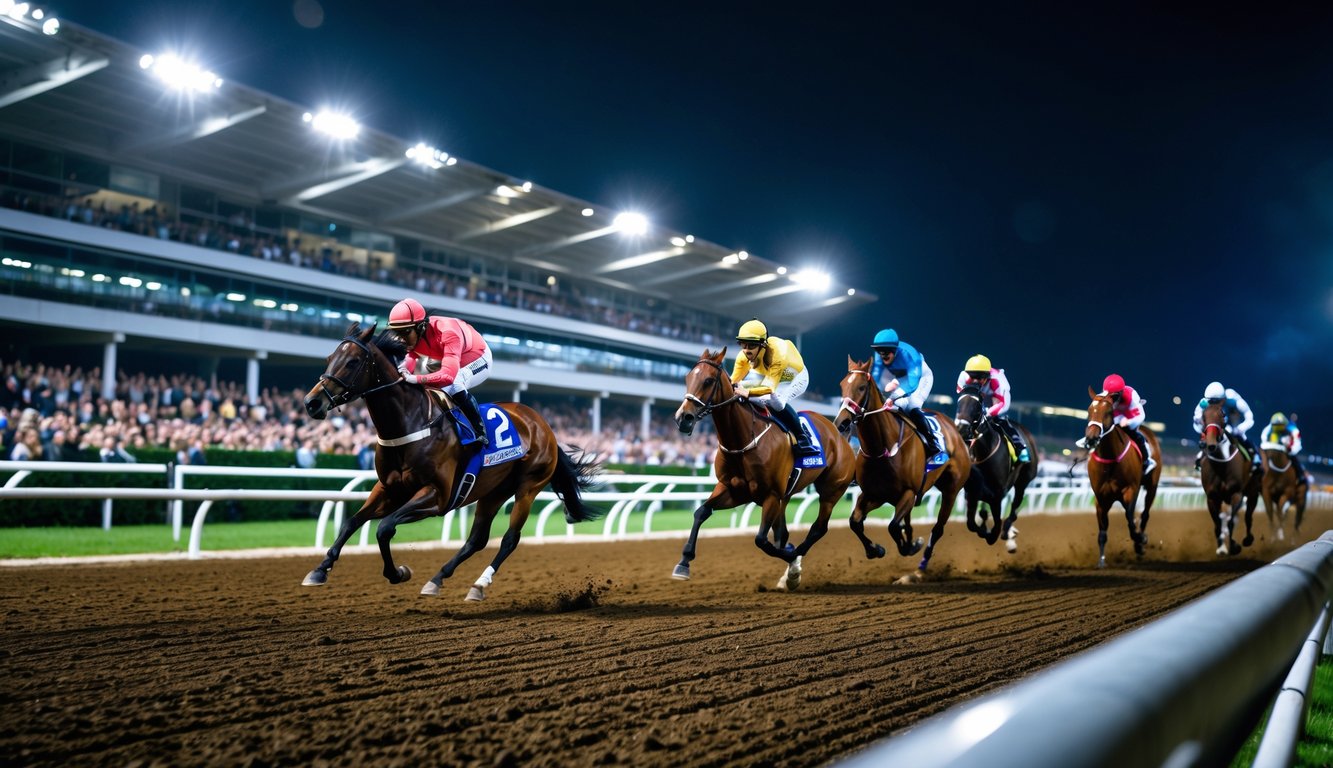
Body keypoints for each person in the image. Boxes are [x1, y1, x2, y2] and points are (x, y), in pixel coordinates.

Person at [386, 297, 493, 447]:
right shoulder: (414, 336)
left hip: (478, 356)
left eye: (405, 332)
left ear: (420, 327)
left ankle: (480, 432)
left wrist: (415, 378)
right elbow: (412, 357)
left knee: (455, 383)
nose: (401, 339)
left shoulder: (448, 333)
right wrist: (403, 369)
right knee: (425, 381)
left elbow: (448, 376)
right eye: (397, 333)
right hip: (450, 357)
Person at [730, 318, 817, 456]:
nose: (746, 350)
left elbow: (769, 388)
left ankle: (803, 438)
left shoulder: (778, 355)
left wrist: (747, 392)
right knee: (742, 393)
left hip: (793, 374)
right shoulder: (743, 356)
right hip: (769, 373)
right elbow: (733, 381)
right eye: (743, 345)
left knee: (775, 400)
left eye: (751, 346)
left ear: (762, 345)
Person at [869, 328, 947, 469]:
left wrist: (892, 397)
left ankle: (933, 445)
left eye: (886, 351)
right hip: (902, 378)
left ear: (895, 349)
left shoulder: (909, 355)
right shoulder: (880, 354)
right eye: (880, 351)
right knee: (890, 408)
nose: (883, 355)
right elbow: (876, 375)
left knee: (911, 407)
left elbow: (912, 384)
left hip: (921, 378)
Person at [955, 354, 1030, 463]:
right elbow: (964, 399)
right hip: (980, 396)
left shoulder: (998, 381)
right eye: (972, 376)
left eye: (979, 377)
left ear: (987, 376)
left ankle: (1021, 447)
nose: (975, 380)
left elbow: (1002, 404)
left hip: (997, 399)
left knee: (1000, 420)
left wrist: (987, 413)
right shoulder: (963, 377)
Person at [1083, 374, 1155, 476]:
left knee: (1134, 434)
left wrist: (1129, 422)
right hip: (1116, 415)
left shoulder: (1132, 396)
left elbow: (1141, 416)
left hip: (1130, 414)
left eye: (1114, 397)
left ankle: (1146, 461)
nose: (1110, 399)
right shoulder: (1104, 395)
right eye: (1108, 394)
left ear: (1121, 393)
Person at [1192, 381, 1259, 474]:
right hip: (1215, 429)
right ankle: (1200, 458)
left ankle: (1256, 459)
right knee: (1206, 438)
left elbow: (1250, 417)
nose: (1214, 405)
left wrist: (1239, 429)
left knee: (1243, 438)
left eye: (1217, 401)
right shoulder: (1202, 404)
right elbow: (1196, 425)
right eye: (1211, 401)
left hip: (1233, 427)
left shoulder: (1233, 398)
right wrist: (1204, 429)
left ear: (1224, 399)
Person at [1260, 412, 1306, 481]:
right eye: (1275, 425)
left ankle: (1300, 476)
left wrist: (1290, 451)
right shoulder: (1269, 428)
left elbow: (1297, 445)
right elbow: (1263, 438)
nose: (1277, 427)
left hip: (1286, 451)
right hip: (1270, 449)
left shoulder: (1293, 429)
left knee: (1295, 461)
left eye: (1280, 425)